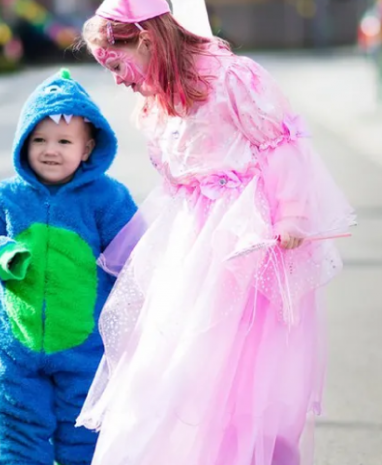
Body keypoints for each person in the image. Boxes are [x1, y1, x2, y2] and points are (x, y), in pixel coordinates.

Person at [74, 1, 357, 464]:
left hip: (244, 242)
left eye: (117, 62)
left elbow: (279, 144)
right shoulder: (159, 98)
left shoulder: (230, 78)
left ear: (146, 39)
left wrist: (290, 213)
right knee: (176, 356)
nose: (117, 78)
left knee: (235, 363)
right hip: (191, 238)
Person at [0, 68, 138, 465]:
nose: (49, 150)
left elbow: (135, 253)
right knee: (20, 434)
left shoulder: (106, 198)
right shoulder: (6, 196)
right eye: (38, 140)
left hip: (85, 349)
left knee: (83, 435)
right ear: (23, 143)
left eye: (63, 141)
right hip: (16, 349)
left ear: (88, 148)